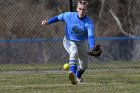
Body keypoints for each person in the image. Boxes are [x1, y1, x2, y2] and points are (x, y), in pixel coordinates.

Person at [42, 0, 95, 85]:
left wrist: (92, 47)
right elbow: (57, 18)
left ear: (87, 10)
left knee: (84, 65)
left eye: (84, 9)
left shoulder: (89, 22)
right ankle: (72, 74)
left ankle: (77, 76)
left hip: (82, 42)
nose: (82, 11)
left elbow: (90, 36)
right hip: (69, 40)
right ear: (77, 9)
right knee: (73, 52)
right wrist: (48, 22)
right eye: (80, 9)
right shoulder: (68, 15)